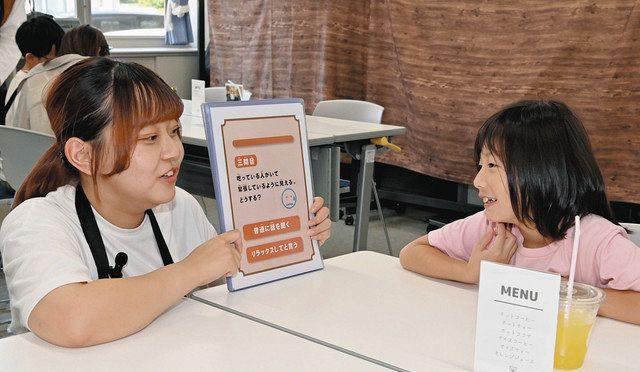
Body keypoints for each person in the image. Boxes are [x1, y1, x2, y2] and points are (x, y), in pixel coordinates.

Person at [0, 57, 332, 347]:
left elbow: (238, 291)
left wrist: (294, 238)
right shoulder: (37, 221)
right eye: (150, 138)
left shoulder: (180, 207)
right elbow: (71, 320)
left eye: (174, 132)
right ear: (84, 155)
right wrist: (190, 270)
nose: (173, 152)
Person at [399, 100, 640, 325]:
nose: (477, 180)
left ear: (542, 171)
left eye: (492, 165)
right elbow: (412, 252)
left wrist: (571, 295)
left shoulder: (596, 239)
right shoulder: (494, 228)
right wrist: (470, 272)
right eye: (480, 165)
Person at [6, 24, 108, 133]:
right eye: (50, 60)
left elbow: (19, 130)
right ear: (98, 51)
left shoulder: (30, 81)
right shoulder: (100, 79)